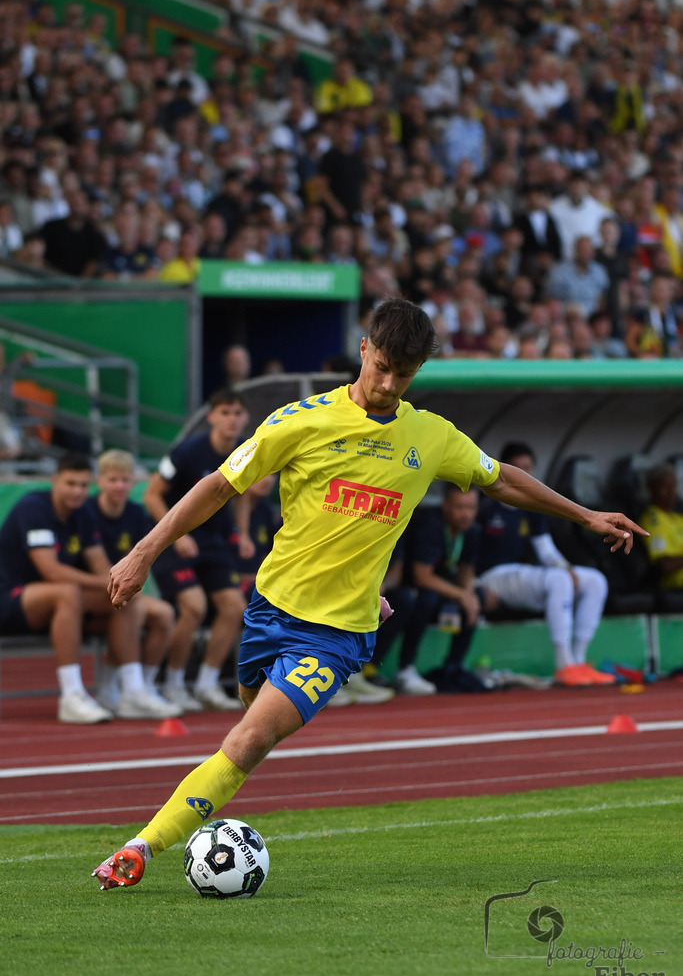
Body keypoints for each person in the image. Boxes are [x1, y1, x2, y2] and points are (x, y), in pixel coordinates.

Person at [92, 298, 645, 889]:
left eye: (402, 374)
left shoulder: (430, 436)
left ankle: (138, 849)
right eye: (380, 365)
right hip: (270, 609)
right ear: (363, 349)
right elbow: (218, 484)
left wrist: (584, 515)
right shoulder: (299, 420)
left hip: (337, 634)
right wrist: (143, 550)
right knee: (246, 721)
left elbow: (501, 479)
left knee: (249, 739)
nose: (386, 383)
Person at [0, 451, 147, 724]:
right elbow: (51, 571)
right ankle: (71, 695)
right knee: (67, 592)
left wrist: (118, 585)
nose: (77, 491)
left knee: (126, 598)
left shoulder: (83, 514)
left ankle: (131, 691)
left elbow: (100, 564)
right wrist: (109, 581)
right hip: (10, 598)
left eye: (82, 485)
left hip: (52, 601)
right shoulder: (33, 508)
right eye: (70, 484)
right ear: (55, 480)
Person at [477, 441, 616, 687]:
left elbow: (546, 550)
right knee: (557, 579)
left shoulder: (530, 507)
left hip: (518, 578)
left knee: (594, 580)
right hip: (489, 578)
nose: (524, 474)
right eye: (517, 468)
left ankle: (579, 661)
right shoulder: (484, 505)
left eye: (528, 469)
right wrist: (475, 588)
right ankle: (564, 664)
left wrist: (566, 568)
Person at [145, 390, 250, 713]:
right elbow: (152, 495)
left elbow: (243, 494)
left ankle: (206, 684)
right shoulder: (188, 451)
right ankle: (173, 684)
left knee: (234, 608)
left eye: (237, 413)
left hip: (214, 541)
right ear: (212, 417)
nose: (232, 419)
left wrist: (243, 533)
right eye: (226, 413)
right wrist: (176, 536)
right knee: (194, 607)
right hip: (177, 539)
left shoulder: (244, 451)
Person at [85, 450, 181, 718]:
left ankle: (142, 688)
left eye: (125, 480)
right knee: (132, 607)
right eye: (113, 479)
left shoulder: (136, 514)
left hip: (120, 590)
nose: (119, 485)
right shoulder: (87, 511)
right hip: (93, 591)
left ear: (133, 482)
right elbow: (99, 566)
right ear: (99, 481)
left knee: (164, 612)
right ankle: (128, 690)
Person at [390, 485, 484, 695]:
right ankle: (406, 668)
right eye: (460, 507)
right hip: (412, 589)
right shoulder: (430, 525)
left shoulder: (472, 530)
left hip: (443, 589)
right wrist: (461, 594)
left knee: (476, 598)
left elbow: (466, 570)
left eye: (471, 507)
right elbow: (421, 576)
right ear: (445, 505)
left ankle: (453, 667)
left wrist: (468, 594)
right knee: (427, 600)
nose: (466, 513)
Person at [639, 463, 683, 592]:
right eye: (665, 485)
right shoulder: (652, 519)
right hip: (674, 586)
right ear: (651, 489)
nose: (671, 491)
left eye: (673, 485)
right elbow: (665, 565)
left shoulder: (679, 518)